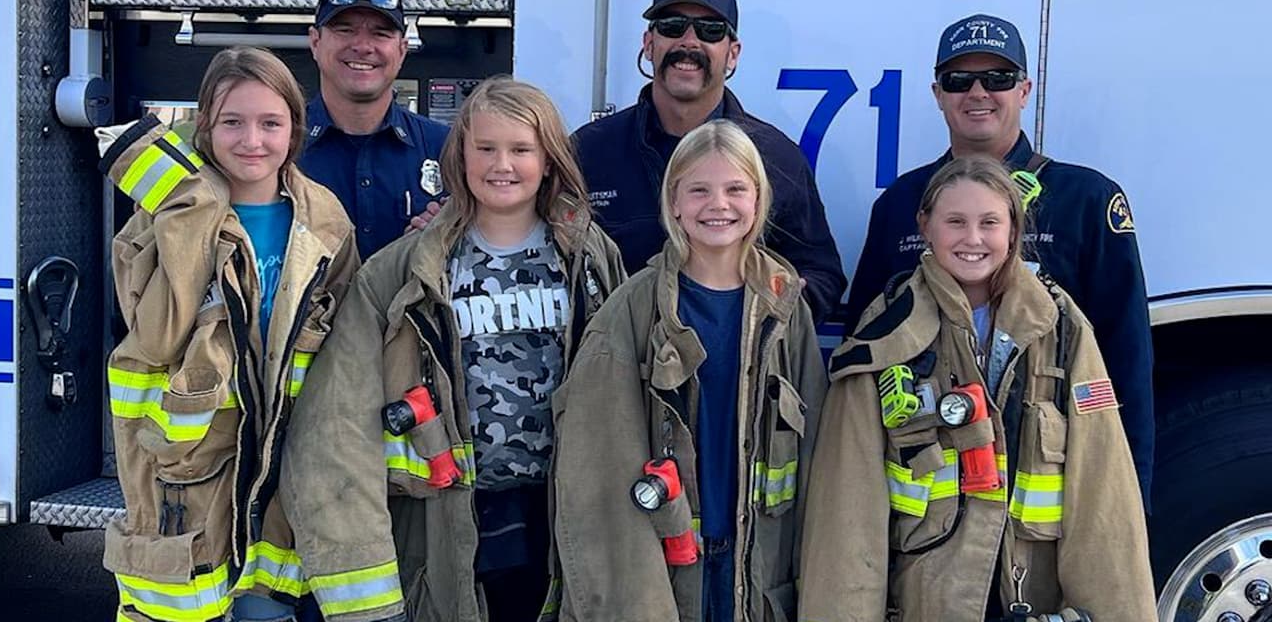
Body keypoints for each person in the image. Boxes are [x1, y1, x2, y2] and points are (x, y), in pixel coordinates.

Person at [281, 77, 626, 622]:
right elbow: (335, 423)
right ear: (458, 156)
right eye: (485, 148)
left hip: (561, 518)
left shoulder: (590, 258)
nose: (502, 164)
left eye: (521, 149)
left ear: (549, 158)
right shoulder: (402, 270)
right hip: (445, 520)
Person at [801, 156, 1155, 621]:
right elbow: (848, 511)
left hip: (1031, 602)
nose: (972, 239)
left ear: (1013, 230)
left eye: (990, 222)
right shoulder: (884, 336)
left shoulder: (1061, 329)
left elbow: (1102, 496)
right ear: (925, 227)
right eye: (955, 222)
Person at [842, 13, 1154, 505]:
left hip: (1040, 475)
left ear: (1025, 90)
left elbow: (1126, 358)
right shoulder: (900, 203)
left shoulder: (1086, 200)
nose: (979, 92)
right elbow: (861, 345)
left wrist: (1131, 493)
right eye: (959, 80)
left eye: (999, 79)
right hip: (928, 485)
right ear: (938, 93)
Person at [99, 46, 360, 622]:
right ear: (205, 127)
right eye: (232, 122)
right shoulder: (164, 219)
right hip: (185, 465)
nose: (252, 140)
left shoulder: (326, 219)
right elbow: (158, 336)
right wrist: (193, 219)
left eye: (271, 123)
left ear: (296, 129)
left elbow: (346, 347)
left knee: (267, 609)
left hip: (284, 462)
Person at [551, 119, 827, 621]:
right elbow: (594, 469)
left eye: (735, 189)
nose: (718, 205)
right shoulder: (631, 311)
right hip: (666, 567)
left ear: (759, 200)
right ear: (673, 202)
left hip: (760, 569)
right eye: (698, 190)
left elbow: (818, 456)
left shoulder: (786, 308)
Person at [571, 0, 847, 323]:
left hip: (737, 375)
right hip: (617, 369)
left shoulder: (776, 157)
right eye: (672, 27)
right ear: (649, 44)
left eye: (710, 31)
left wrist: (762, 321)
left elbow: (822, 276)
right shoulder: (589, 152)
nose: (689, 42)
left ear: (732, 53)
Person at [300, 0, 449, 260]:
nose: (363, 46)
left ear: (402, 50)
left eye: (380, 33)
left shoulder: (447, 148)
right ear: (315, 42)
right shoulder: (278, 147)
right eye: (345, 30)